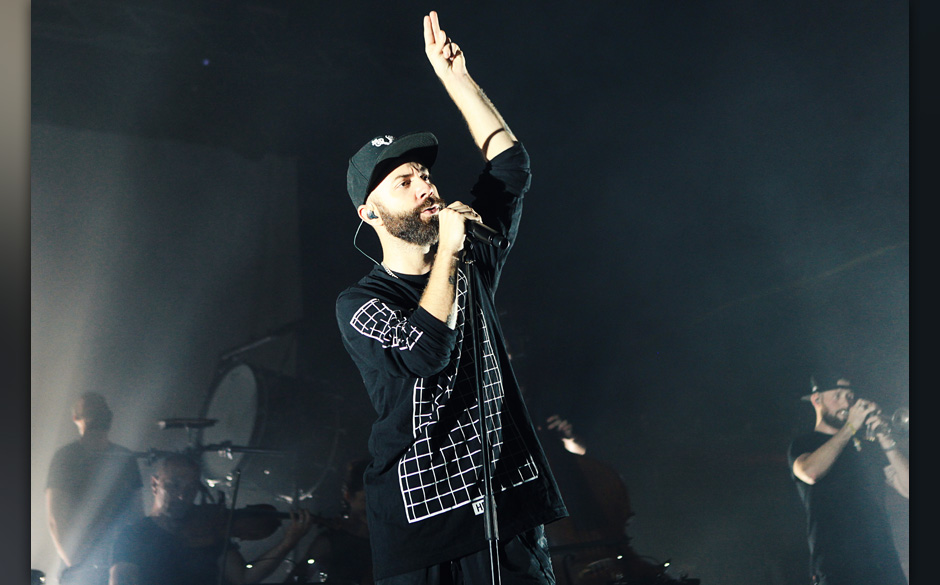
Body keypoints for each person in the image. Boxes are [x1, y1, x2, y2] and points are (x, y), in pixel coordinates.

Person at [335, 10, 566, 585]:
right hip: (423, 534)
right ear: (370, 214)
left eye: (424, 174)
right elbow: (424, 350)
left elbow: (510, 164)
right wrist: (450, 256)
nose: (426, 186)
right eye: (404, 182)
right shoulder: (361, 303)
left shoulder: (470, 259)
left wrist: (455, 76)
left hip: (507, 515)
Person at [109, 453, 314, 585]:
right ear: (155, 484)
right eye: (173, 485)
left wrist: (289, 542)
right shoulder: (133, 535)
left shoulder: (208, 532)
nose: (182, 495)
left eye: (190, 489)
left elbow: (243, 577)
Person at [788, 374, 910, 585]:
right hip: (838, 568)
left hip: (884, 563)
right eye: (838, 396)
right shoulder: (804, 443)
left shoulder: (868, 446)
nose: (847, 403)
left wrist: (885, 439)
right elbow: (810, 472)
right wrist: (850, 427)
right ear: (817, 400)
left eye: (850, 396)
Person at [45, 392, 143, 585]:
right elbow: (55, 518)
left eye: (101, 409)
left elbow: (137, 512)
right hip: (79, 561)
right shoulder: (66, 457)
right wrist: (76, 563)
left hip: (116, 560)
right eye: (90, 410)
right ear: (76, 419)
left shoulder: (124, 458)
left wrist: (130, 558)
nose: (97, 415)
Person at [286, 458, 374, 585]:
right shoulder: (329, 541)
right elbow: (295, 580)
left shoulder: (390, 537)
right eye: (365, 501)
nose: (374, 508)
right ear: (348, 496)